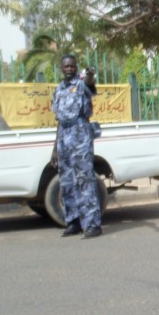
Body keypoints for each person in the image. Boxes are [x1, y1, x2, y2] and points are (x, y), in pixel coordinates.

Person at [51, 55, 102, 238]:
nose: (69, 69)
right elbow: (59, 120)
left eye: (72, 66)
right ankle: (73, 222)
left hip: (80, 135)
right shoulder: (58, 90)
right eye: (66, 66)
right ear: (61, 68)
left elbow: (89, 84)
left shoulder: (81, 84)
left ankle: (93, 224)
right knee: (67, 182)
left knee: (85, 180)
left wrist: (90, 74)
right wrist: (55, 148)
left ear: (76, 67)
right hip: (64, 136)